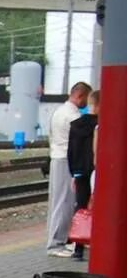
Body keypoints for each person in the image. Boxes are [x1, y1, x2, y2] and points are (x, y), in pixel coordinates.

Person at [47, 82, 92, 256]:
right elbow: (79, 142)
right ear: (80, 95)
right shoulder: (73, 116)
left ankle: (60, 240)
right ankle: (56, 244)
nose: (87, 104)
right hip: (66, 160)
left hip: (57, 157)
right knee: (63, 203)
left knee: (59, 202)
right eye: (87, 99)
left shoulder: (59, 111)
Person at [68, 90, 98, 260]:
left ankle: (78, 248)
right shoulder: (102, 124)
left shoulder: (75, 125)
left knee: (80, 207)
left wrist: (74, 172)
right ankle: (95, 241)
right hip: (95, 170)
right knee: (96, 207)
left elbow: (71, 152)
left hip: (80, 171)